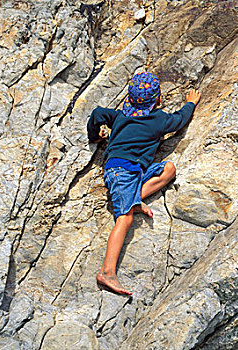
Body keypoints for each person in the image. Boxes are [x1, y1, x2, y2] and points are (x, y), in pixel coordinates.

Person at [87, 72, 201, 295]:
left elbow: (97, 113)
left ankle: (134, 198)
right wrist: (191, 102)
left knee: (169, 170)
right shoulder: (158, 121)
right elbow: (179, 120)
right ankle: (107, 272)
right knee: (125, 218)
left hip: (127, 170)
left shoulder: (120, 116)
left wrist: (95, 135)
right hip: (122, 173)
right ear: (158, 99)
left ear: (129, 99)